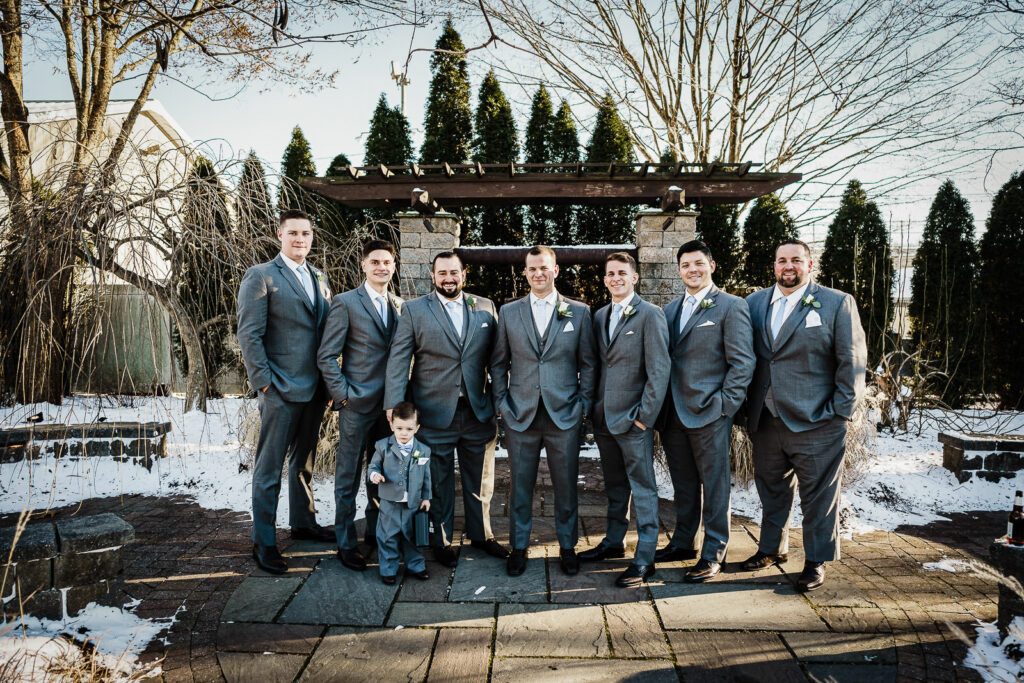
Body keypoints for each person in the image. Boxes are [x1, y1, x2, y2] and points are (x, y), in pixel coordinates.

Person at [742, 239, 867, 592]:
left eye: (796, 260)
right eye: (782, 260)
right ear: (775, 265)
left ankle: (815, 560)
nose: (788, 266)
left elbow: (853, 363)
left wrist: (839, 412)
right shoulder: (754, 303)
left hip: (818, 421)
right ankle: (771, 548)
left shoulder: (836, 303)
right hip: (765, 420)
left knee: (819, 497)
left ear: (810, 265)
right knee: (771, 489)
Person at [384, 252, 508, 568]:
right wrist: (394, 405)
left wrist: (498, 398)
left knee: (481, 479)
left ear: (463, 274)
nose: (448, 278)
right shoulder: (413, 310)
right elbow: (399, 359)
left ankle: (483, 535)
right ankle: (442, 540)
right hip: (434, 411)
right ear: (433, 275)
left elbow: (497, 359)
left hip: (478, 410)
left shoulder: (485, 307)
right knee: (438, 481)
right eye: (442, 273)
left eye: (454, 272)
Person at [236, 208, 333, 574]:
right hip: (280, 388)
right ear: (280, 235)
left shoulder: (320, 278)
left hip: (315, 390)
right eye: (292, 233)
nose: (299, 240)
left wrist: (328, 382)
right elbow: (249, 334)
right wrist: (264, 383)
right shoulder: (261, 276)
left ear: (311, 237)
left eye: (305, 234)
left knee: (303, 462)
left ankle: (304, 523)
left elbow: (325, 334)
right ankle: (263, 540)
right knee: (269, 468)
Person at [490, 245, 597, 577]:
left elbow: (589, 364)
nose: (539, 273)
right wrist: (501, 404)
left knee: (566, 485)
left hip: (563, 414)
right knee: (519, 485)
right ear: (525, 273)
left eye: (544, 268)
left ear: (556, 271)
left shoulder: (578, 312)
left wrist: (582, 405)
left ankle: (567, 546)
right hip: (520, 413)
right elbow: (498, 362)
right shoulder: (509, 312)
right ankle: (519, 546)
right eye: (532, 268)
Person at [657, 240, 755, 582]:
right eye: (685, 265)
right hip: (673, 415)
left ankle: (714, 552)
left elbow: (742, 363)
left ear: (711, 265)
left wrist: (724, 407)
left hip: (710, 413)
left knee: (715, 486)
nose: (692, 270)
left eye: (698, 263)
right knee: (683, 484)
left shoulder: (731, 306)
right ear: (679, 270)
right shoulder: (668, 311)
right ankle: (684, 541)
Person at [578, 253, 670, 587]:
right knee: (615, 486)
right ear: (605, 280)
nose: (615, 278)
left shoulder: (650, 315)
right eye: (610, 274)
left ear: (634, 278)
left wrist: (644, 419)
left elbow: (659, 372)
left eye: (622, 273)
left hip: (634, 421)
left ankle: (645, 557)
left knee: (643, 489)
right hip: (604, 419)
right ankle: (613, 542)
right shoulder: (600, 315)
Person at [317, 240, 401, 572]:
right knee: (348, 476)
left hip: (389, 408)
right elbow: (326, 355)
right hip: (356, 404)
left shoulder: (399, 304)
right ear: (364, 266)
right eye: (375, 262)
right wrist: (343, 395)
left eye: (387, 262)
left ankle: (376, 533)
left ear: (393, 267)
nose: (382, 267)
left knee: (381, 474)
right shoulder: (346, 302)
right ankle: (346, 542)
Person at [367, 401, 432, 585]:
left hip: (413, 502)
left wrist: (426, 497)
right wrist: (374, 474)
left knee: (413, 536)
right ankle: (388, 569)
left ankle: (417, 566)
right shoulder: (382, 446)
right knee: (388, 535)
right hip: (389, 502)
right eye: (399, 428)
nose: (404, 433)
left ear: (417, 428)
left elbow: (426, 476)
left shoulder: (423, 450)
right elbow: (373, 465)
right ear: (391, 425)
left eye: (409, 429)